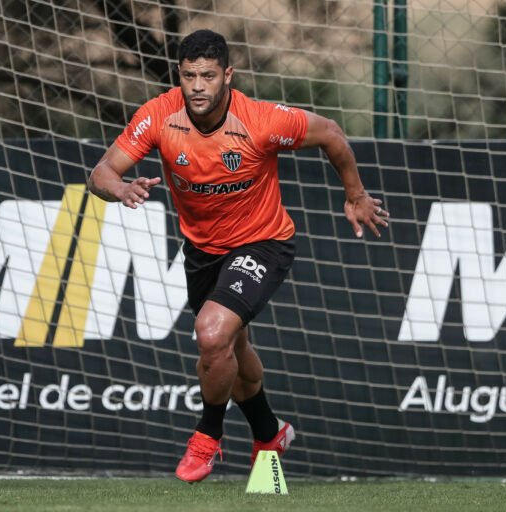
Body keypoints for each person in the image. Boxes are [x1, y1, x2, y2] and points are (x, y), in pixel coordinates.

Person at [87, 29, 389, 483]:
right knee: (230, 349)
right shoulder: (159, 116)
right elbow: (101, 173)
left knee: (211, 334)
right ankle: (269, 433)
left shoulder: (261, 121)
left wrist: (356, 195)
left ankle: (207, 435)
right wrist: (121, 188)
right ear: (179, 75)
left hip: (262, 242)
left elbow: (331, 133)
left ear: (227, 74)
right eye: (189, 76)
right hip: (202, 251)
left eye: (208, 76)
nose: (197, 87)